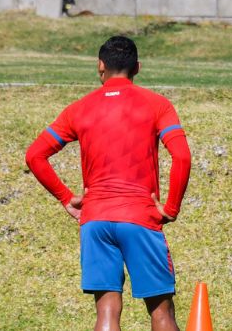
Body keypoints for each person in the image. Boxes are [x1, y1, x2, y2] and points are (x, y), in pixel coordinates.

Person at [25, 36, 192, 331]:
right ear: (137, 68)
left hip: (96, 219)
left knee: (106, 311)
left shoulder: (79, 108)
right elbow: (182, 157)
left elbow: (35, 155)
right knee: (161, 311)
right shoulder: (158, 105)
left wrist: (66, 197)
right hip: (140, 217)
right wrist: (171, 207)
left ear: (100, 66)